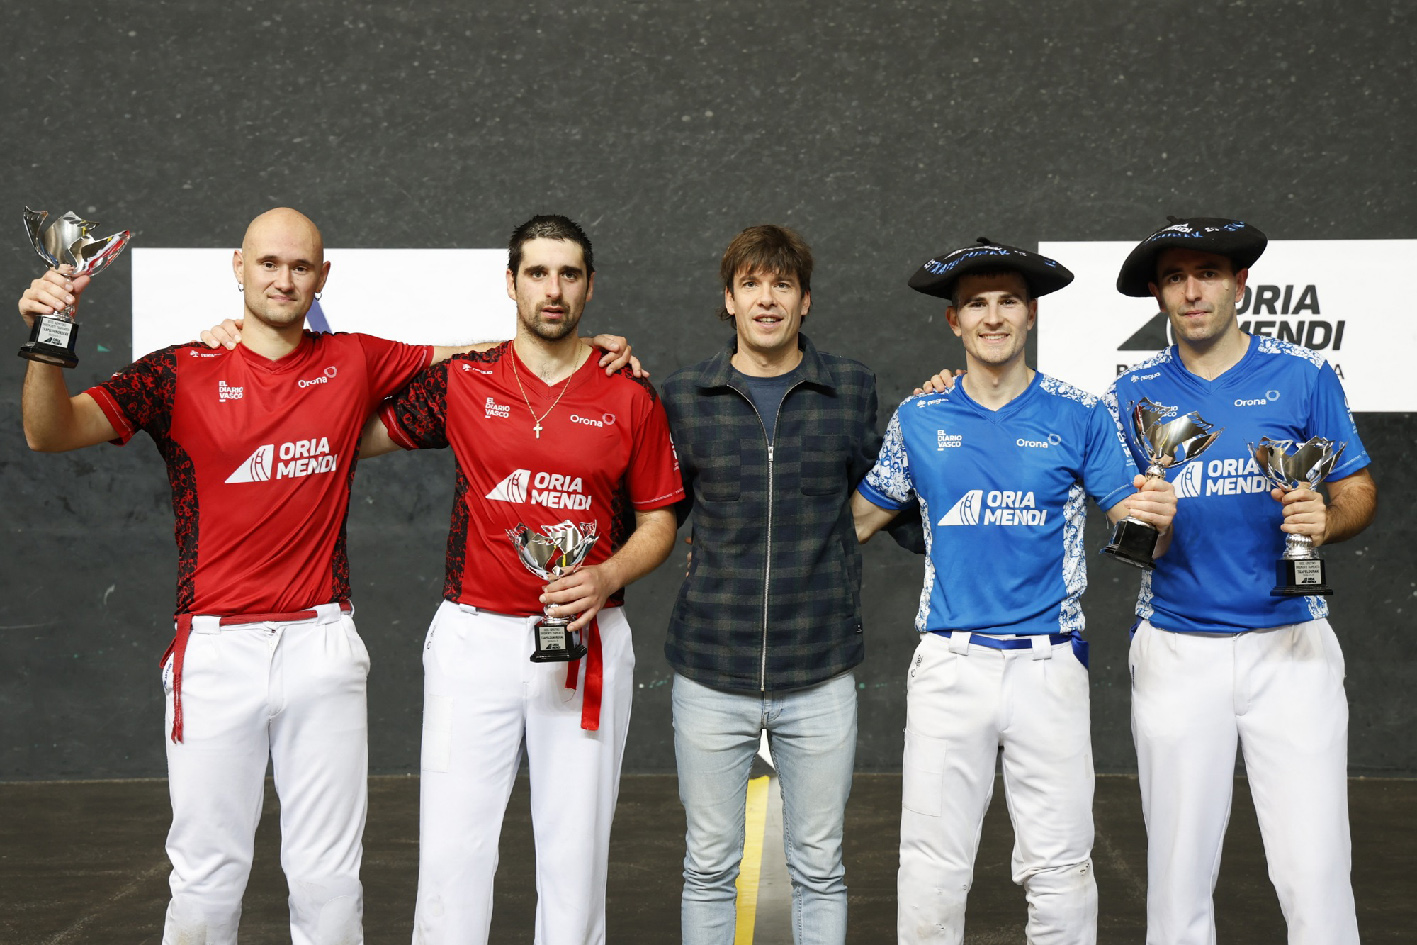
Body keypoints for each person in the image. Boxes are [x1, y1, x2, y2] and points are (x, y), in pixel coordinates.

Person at [19, 207, 635, 945]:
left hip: (322, 644)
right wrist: (51, 334)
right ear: (239, 267)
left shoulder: (356, 360)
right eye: (269, 263)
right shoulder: (178, 369)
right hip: (215, 651)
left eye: (300, 266)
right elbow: (48, 432)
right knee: (206, 878)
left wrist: (583, 352)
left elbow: (483, 355)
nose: (284, 279)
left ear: (322, 277)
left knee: (330, 881)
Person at [357, 214, 682, 945]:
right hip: (473, 640)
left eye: (569, 274)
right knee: (452, 855)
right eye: (537, 272)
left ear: (590, 287)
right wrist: (263, 351)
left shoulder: (629, 394)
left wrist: (606, 573)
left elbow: (659, 521)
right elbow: (348, 429)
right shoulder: (464, 380)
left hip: (586, 639)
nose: (553, 289)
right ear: (511, 283)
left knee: (575, 859)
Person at [852, 238, 1177, 945]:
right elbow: (855, 522)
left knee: (1061, 863)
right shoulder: (919, 417)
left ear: (1030, 314)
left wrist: (1158, 515)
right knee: (931, 866)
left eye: (1007, 302)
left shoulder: (1079, 413)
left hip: (1048, 665)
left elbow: (1136, 525)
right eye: (976, 304)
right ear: (954, 321)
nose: (992, 317)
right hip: (949, 663)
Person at [1106, 218, 1376, 945]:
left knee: (1315, 871)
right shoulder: (1129, 393)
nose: (1192, 291)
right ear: (1159, 295)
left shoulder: (1304, 374)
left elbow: (1356, 489)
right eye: (1174, 278)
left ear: (1240, 284)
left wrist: (1325, 519)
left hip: (1291, 645)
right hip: (1175, 646)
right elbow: (1130, 525)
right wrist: (1149, 521)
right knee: (1176, 879)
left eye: (1208, 274)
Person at [660, 224, 891, 945]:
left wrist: (942, 406)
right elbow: (651, 517)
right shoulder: (683, 396)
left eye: (782, 284)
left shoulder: (849, 388)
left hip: (819, 669)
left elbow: (889, 493)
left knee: (819, 866)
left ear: (805, 300)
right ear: (728, 300)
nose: (767, 299)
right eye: (751, 284)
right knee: (708, 865)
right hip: (710, 669)